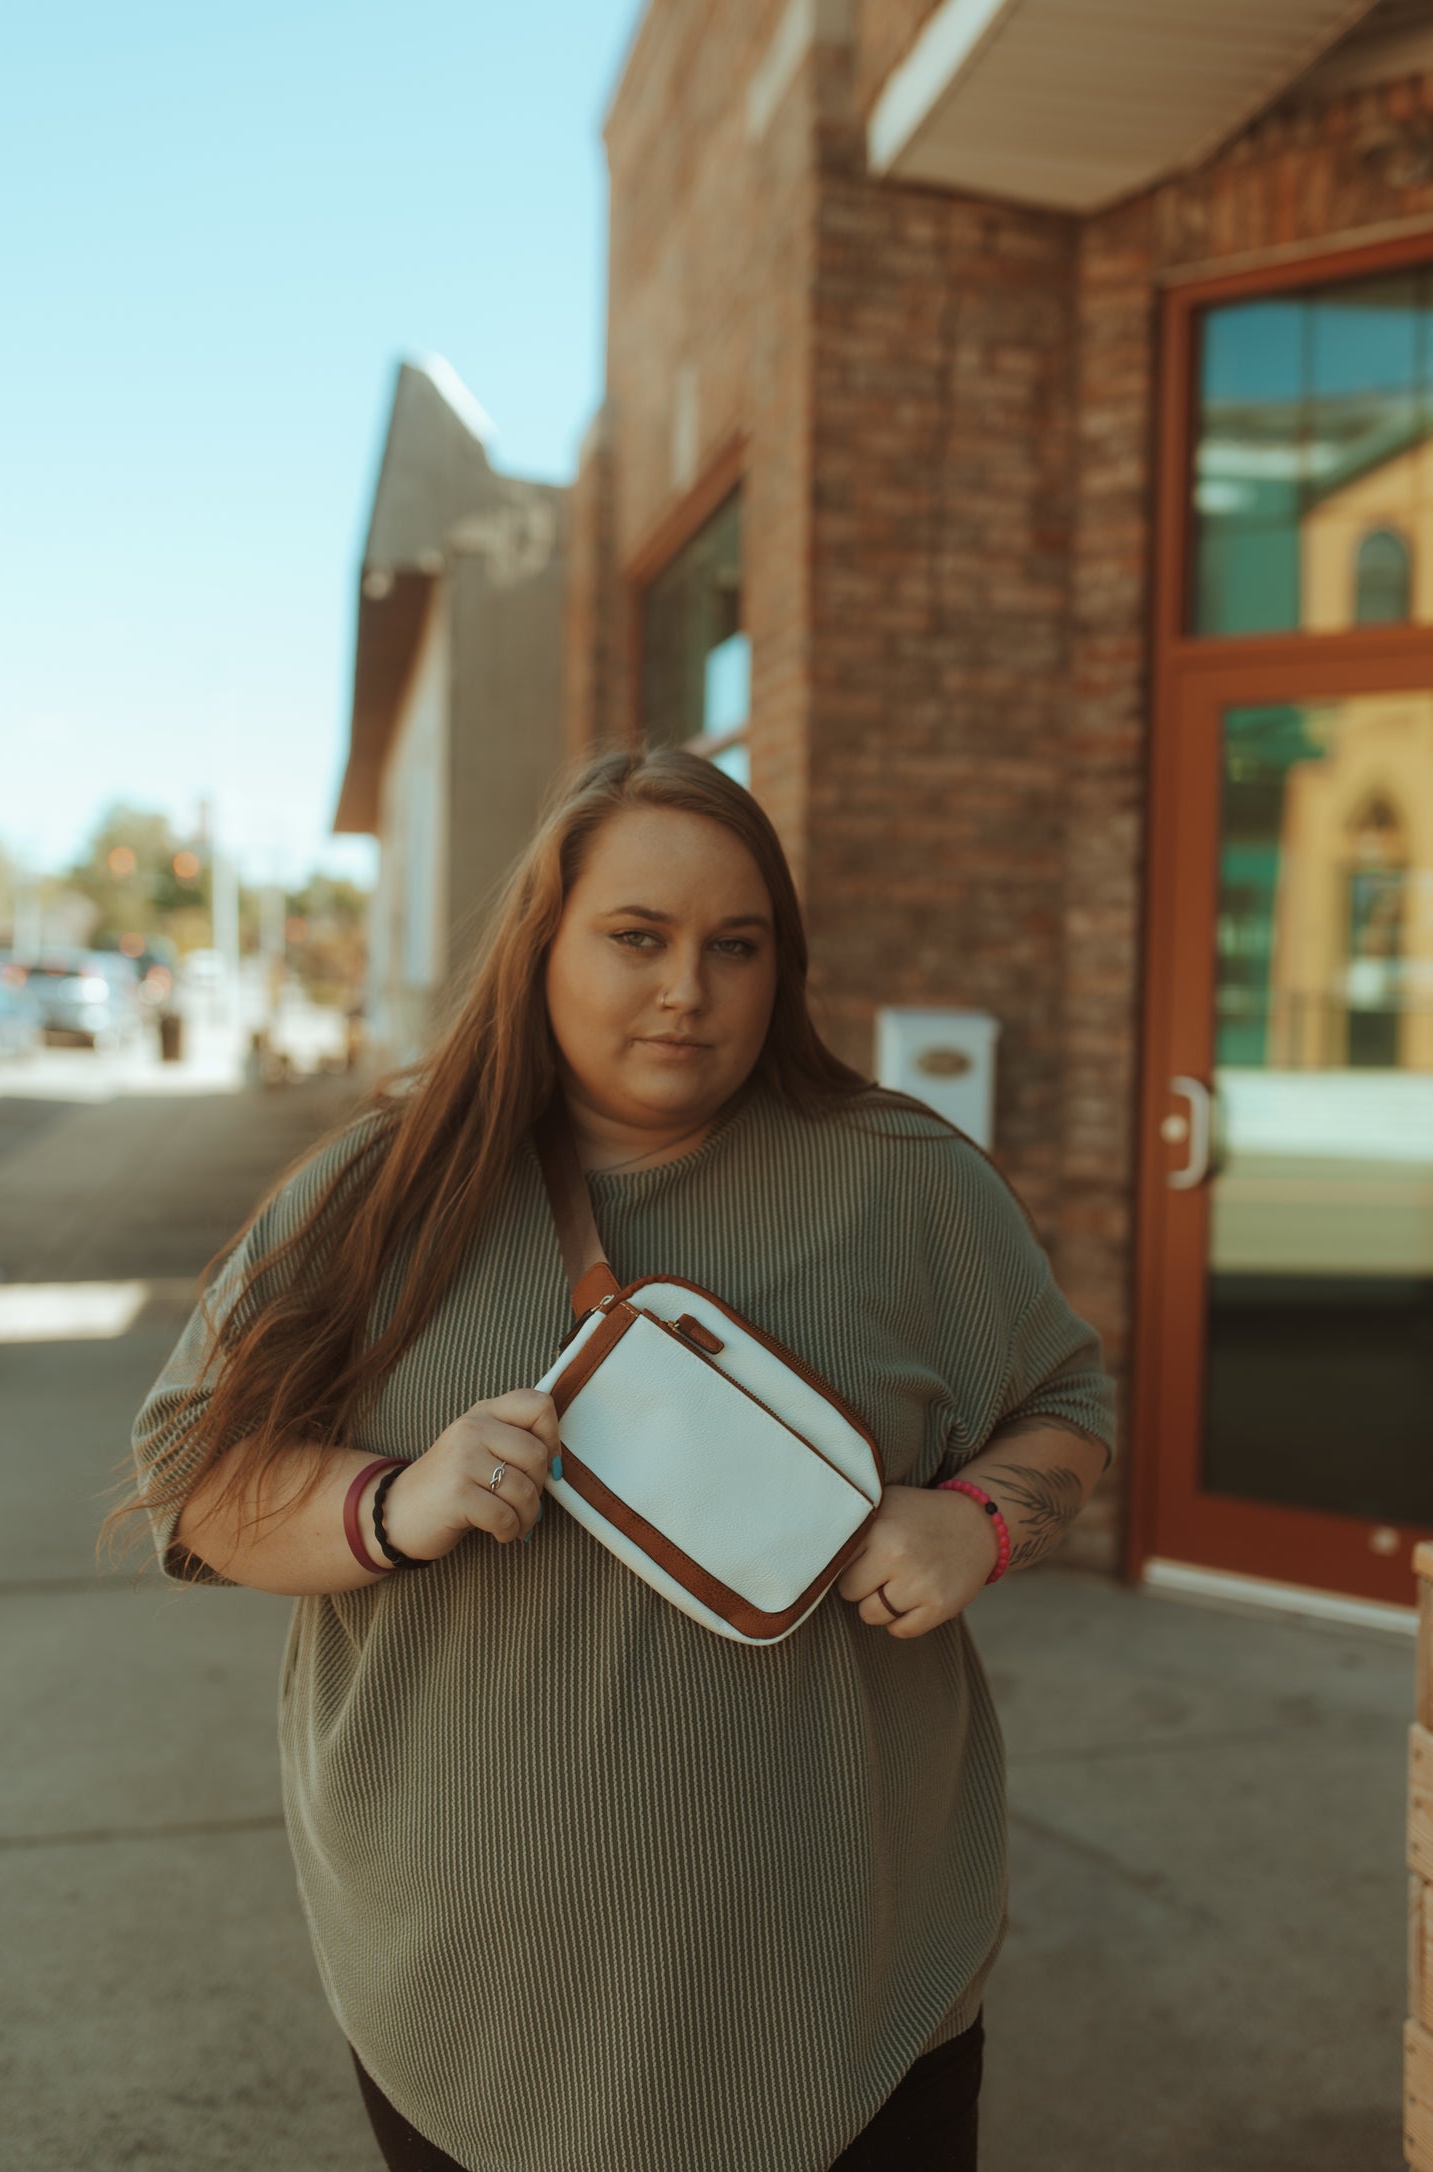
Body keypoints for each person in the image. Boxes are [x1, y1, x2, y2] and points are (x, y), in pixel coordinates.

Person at [110, 746, 1117, 2172]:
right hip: (470, 2005)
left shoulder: (906, 1181)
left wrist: (982, 1523)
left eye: (736, 946)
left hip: (847, 1992)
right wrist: (393, 1502)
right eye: (636, 938)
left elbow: (1068, 1401)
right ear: (541, 949)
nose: (686, 990)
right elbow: (193, 1483)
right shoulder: (381, 1192)